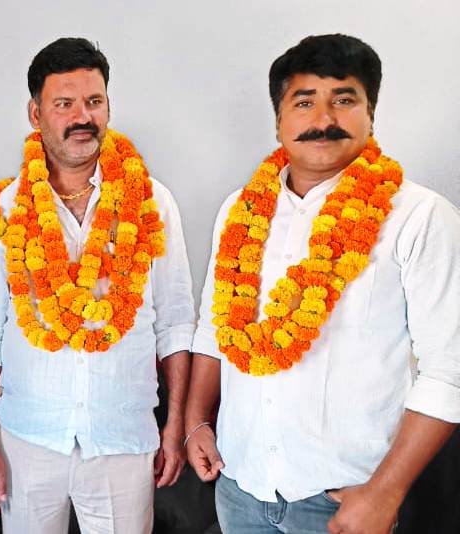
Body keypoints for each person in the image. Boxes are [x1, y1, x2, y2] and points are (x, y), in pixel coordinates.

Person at [185, 33, 460, 534]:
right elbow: (213, 329)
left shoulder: (419, 217)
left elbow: (449, 371)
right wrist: (196, 420)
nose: (323, 118)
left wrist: (384, 495)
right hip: (240, 483)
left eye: (344, 99)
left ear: (371, 113)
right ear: (279, 120)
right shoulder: (239, 210)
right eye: (304, 101)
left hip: (347, 499)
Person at [0, 37, 195, 533]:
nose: (82, 117)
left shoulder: (152, 203)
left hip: (123, 439)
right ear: (36, 114)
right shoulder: (3, 211)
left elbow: (176, 324)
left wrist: (175, 425)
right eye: (64, 104)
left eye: (94, 101)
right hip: (27, 439)